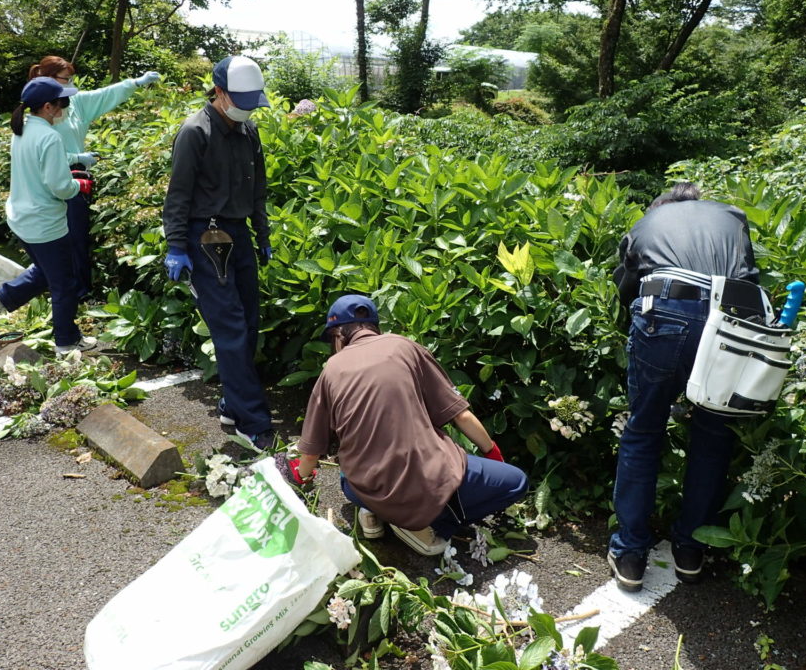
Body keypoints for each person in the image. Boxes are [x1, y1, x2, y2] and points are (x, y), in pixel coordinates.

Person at [279, 295, 529, 557]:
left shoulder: (331, 370)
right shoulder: (406, 347)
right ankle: (433, 522)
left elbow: (310, 455)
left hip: (363, 488)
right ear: (375, 327)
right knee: (517, 482)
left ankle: (382, 513)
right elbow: (461, 416)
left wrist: (299, 477)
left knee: (346, 472)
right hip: (431, 477)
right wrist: (491, 451)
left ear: (339, 333)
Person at [608, 181, 761, 591]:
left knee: (643, 431)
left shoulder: (646, 222)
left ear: (662, 205)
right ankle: (691, 550)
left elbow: (626, 288)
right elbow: (751, 275)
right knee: (713, 435)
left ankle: (630, 556)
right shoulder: (731, 216)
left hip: (668, 310)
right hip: (734, 318)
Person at [162, 55, 274, 448]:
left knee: (247, 324)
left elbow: (257, 189)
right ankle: (253, 421)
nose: (246, 108)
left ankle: (232, 402)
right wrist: (176, 246)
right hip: (204, 238)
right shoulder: (195, 132)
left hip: (239, 233)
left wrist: (262, 234)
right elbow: (178, 194)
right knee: (228, 328)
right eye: (240, 99)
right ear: (220, 92)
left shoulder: (249, 130)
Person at [0, 77, 97, 356]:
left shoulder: (24, 129)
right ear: (48, 107)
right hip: (45, 224)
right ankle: (67, 342)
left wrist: (77, 157)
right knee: (64, 283)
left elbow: (39, 160)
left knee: (45, 271)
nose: (65, 108)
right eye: (62, 103)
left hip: (21, 217)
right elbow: (60, 187)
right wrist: (80, 184)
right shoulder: (50, 136)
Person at [28, 56, 161, 300]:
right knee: (60, 238)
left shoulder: (74, 103)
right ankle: (66, 291)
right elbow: (40, 152)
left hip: (77, 175)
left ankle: (77, 290)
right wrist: (73, 156)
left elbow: (104, 94)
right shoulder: (40, 111)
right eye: (66, 79)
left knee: (77, 235)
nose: (70, 84)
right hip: (55, 177)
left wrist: (136, 82)